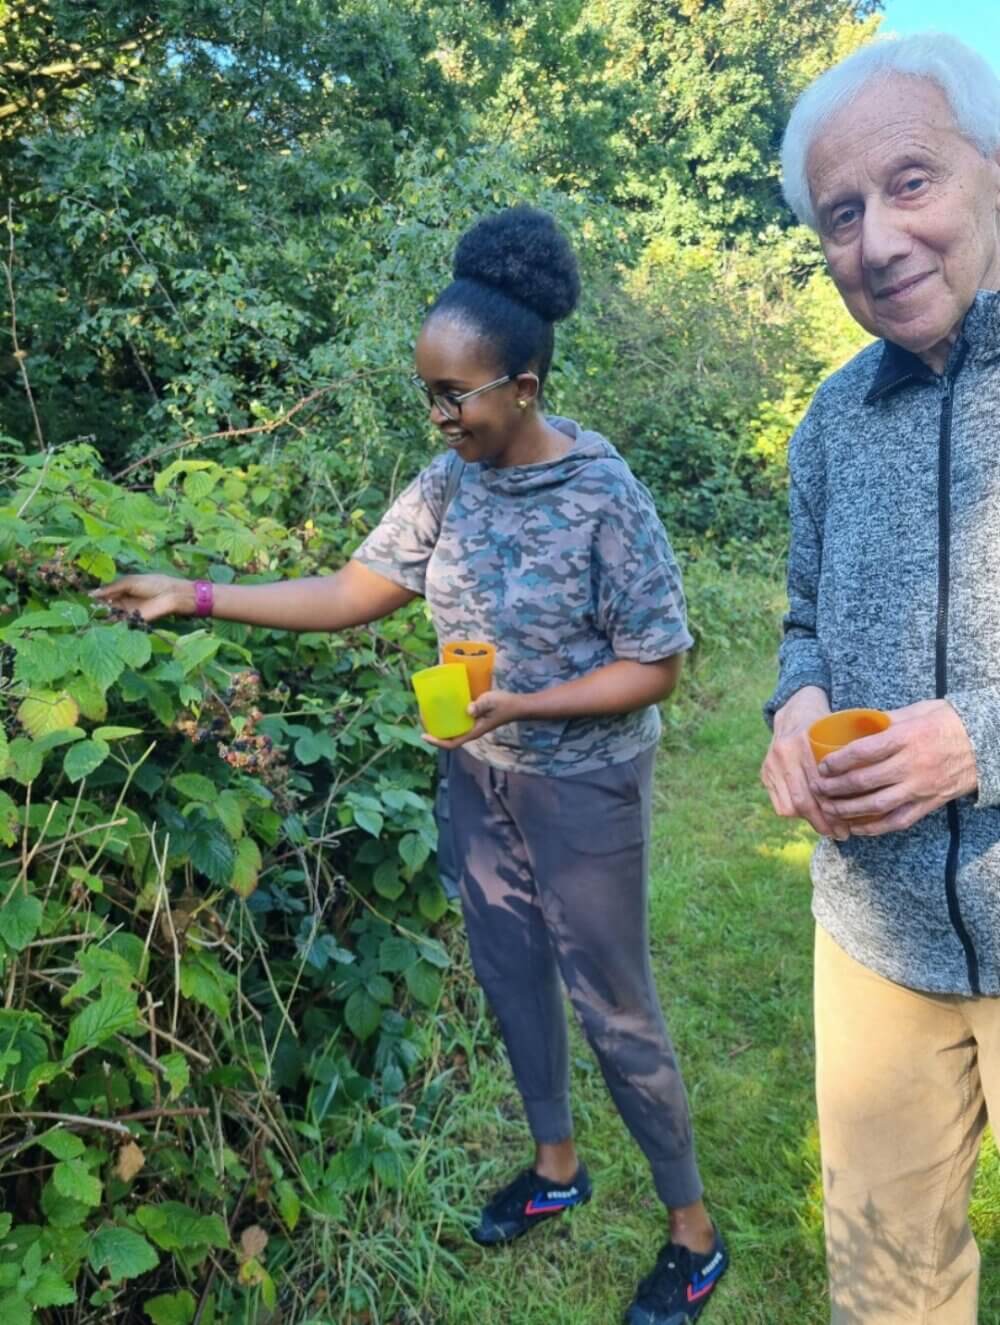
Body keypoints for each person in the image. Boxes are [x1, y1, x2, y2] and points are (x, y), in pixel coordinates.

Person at [96, 206, 727, 1324]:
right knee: (509, 976)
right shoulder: (446, 482)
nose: (439, 417)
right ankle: (554, 1168)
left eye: (456, 396)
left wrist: (524, 699)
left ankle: (692, 1232)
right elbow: (349, 593)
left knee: (615, 1004)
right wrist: (190, 591)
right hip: (475, 776)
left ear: (524, 383)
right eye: (426, 395)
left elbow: (656, 664)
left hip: (585, 787)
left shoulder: (601, 491)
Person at [761, 33, 1000, 1325]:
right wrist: (793, 703)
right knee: (891, 1286)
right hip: (872, 940)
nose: (878, 240)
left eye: (911, 183)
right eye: (840, 215)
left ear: (996, 173)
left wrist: (981, 740)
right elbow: (799, 623)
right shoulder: (829, 424)